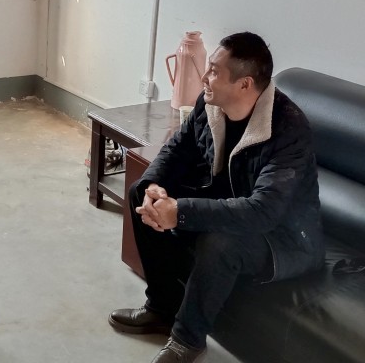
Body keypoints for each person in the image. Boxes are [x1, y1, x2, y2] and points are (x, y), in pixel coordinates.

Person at [109, 32, 324, 363]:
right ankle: (162, 308)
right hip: (232, 206)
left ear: (244, 84)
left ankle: (187, 340)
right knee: (141, 191)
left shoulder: (288, 129)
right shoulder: (210, 104)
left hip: (283, 237)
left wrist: (180, 211)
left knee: (220, 241)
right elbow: (177, 150)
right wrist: (154, 185)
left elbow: (263, 211)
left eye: (213, 71)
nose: (204, 77)